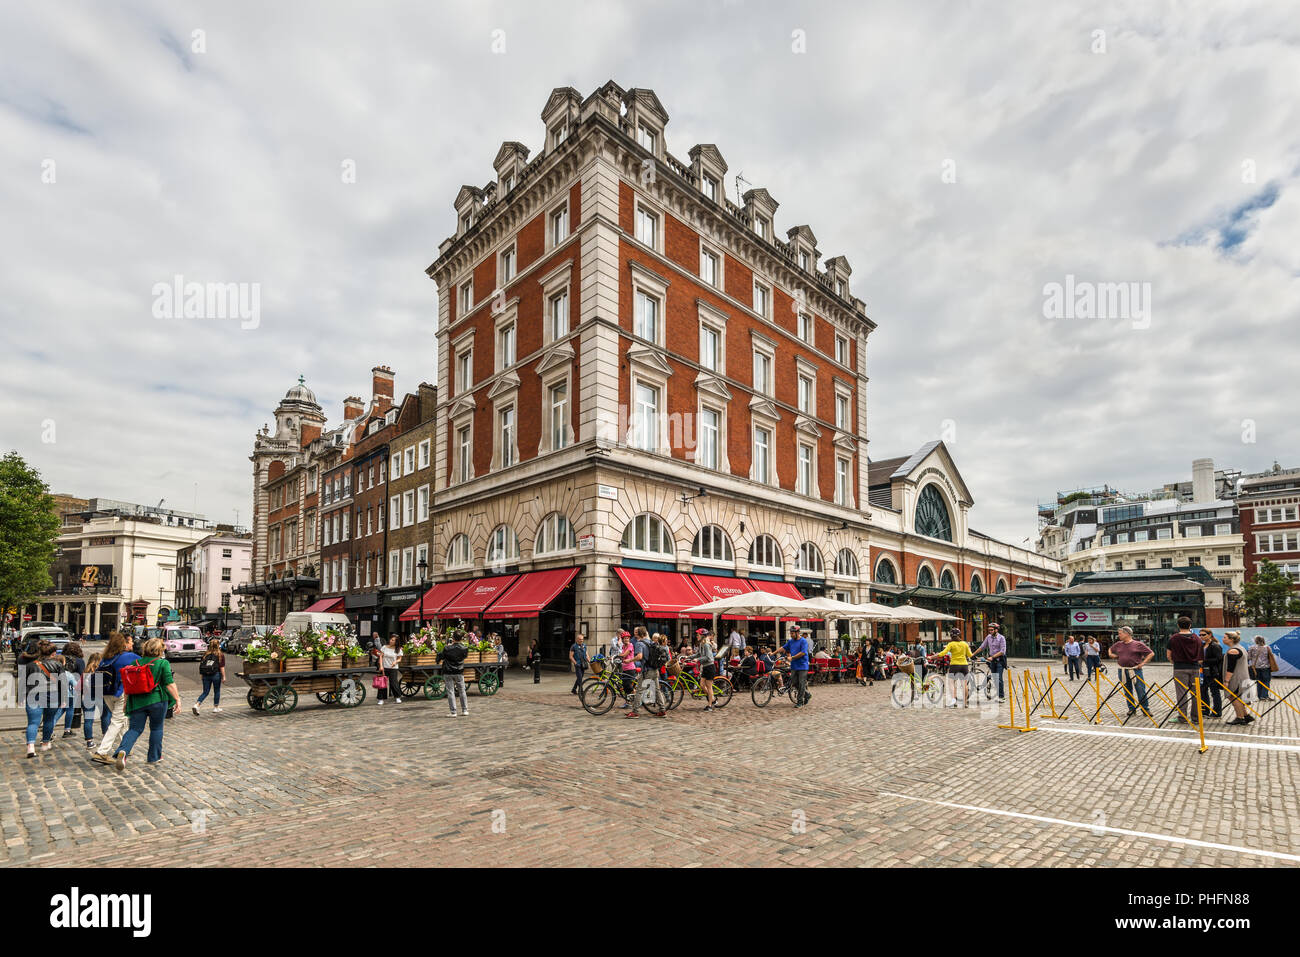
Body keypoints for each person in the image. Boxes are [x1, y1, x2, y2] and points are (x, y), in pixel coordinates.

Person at [113, 637, 180, 771]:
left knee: (134, 729)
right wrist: (177, 699)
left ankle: (123, 751)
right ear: (160, 650)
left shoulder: (135, 662)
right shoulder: (163, 663)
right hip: (157, 700)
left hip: (137, 701)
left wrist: (126, 702)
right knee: (156, 728)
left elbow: (128, 685)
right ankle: (154, 757)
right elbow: (169, 683)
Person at [91, 633, 140, 764]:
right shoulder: (129, 657)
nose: (132, 644)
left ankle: (125, 746)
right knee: (117, 722)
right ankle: (102, 751)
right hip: (121, 692)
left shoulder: (106, 658)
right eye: (130, 642)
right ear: (124, 644)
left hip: (106, 692)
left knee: (121, 720)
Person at [20, 639, 64, 758]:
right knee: (49, 720)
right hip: (52, 696)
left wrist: (21, 697)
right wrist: (63, 699)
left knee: (33, 723)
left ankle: (30, 747)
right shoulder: (57, 665)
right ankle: (45, 743)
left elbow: (23, 683)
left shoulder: (30, 665)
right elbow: (62, 683)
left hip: (33, 695)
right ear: (52, 653)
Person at [1108, 626, 1155, 717]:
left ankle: (1145, 709)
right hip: (1122, 670)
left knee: (1140, 690)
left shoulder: (1138, 644)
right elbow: (1110, 649)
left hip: (1135, 670)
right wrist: (1111, 654)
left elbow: (1151, 653)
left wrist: (1143, 663)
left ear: (1127, 634)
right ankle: (1131, 709)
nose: (1119, 635)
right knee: (1127, 690)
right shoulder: (1118, 644)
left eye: (1120, 633)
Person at [1167, 616, 1203, 724]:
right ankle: (1196, 718)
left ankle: (1182, 717)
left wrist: (1175, 662)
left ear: (1178, 625)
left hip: (1179, 668)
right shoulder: (1197, 638)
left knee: (1181, 693)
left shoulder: (1173, 638)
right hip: (1194, 667)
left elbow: (1169, 655)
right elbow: (1201, 657)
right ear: (1190, 625)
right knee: (1196, 694)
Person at [627, 628, 668, 718]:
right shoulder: (651, 642)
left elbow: (639, 656)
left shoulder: (639, 643)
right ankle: (662, 710)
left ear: (638, 635)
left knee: (639, 691)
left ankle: (635, 712)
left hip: (647, 671)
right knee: (657, 690)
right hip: (655, 670)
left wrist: (629, 660)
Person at [1221, 632, 1254, 726]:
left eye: (1225, 637)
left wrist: (1226, 681)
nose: (1223, 639)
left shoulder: (1233, 651)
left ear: (1231, 639)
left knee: (1234, 697)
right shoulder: (1241, 648)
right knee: (1238, 697)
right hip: (1243, 676)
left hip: (1236, 678)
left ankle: (1240, 717)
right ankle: (1246, 716)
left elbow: (1231, 668)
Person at [936, 628, 973, 707]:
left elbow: (943, 653)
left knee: (952, 683)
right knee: (965, 684)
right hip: (964, 665)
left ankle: (954, 701)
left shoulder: (951, 644)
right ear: (959, 635)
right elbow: (970, 655)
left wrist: (932, 656)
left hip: (954, 665)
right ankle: (965, 703)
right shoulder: (965, 644)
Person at [80, 652, 109, 750]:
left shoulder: (85, 671)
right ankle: (105, 737)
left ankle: (89, 741)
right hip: (101, 696)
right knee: (105, 716)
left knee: (88, 720)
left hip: (87, 697)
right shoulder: (102, 671)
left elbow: (79, 687)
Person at [778, 627, 811, 708]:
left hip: (803, 666)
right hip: (794, 666)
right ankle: (807, 694)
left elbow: (803, 653)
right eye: (790, 633)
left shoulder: (803, 641)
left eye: (792, 633)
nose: (791, 634)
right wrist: (773, 653)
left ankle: (800, 702)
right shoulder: (791, 641)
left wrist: (792, 658)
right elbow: (783, 648)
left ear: (797, 633)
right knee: (794, 683)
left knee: (801, 683)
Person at [974, 622, 1008, 700]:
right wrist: (972, 654)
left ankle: (1001, 697)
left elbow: (1002, 651)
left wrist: (992, 657)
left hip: (1000, 660)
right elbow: (982, 647)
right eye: (989, 630)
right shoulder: (988, 637)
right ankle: (996, 693)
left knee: (999, 678)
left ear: (996, 630)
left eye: (992, 630)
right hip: (992, 661)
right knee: (995, 678)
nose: (990, 632)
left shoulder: (1001, 638)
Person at [440, 632, 470, 717]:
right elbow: (464, 657)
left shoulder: (447, 648)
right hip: (459, 671)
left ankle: (453, 712)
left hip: (448, 671)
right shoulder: (464, 648)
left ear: (453, 638)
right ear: (461, 638)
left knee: (450, 691)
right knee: (462, 691)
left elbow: (442, 656)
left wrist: (448, 646)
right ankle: (465, 710)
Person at [193, 638, 227, 714]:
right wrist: (224, 677)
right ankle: (216, 707)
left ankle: (197, 704)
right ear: (218, 645)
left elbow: (202, 664)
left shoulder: (206, 654)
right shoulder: (220, 655)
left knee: (205, 692)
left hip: (205, 674)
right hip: (216, 674)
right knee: (217, 691)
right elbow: (222, 667)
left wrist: (202, 675)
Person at [1198, 629, 1223, 718]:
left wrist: (1204, 661)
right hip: (1203, 672)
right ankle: (1205, 711)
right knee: (1203, 691)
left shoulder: (1215, 646)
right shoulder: (1202, 645)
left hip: (1213, 672)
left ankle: (1217, 712)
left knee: (1214, 692)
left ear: (1210, 635)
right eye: (1200, 635)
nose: (1201, 637)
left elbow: (1219, 659)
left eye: (1203, 635)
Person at [1247, 636, 1277, 701]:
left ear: (1255, 641)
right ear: (1263, 640)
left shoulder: (1251, 648)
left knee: (1259, 681)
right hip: (1265, 667)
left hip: (1256, 667)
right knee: (1266, 681)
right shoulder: (1267, 647)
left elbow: (1248, 657)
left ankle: (1260, 696)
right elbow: (1271, 657)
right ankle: (1264, 696)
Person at [377, 634, 402, 705]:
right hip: (384, 667)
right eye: (391, 639)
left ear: (396, 642)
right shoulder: (384, 647)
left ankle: (397, 697)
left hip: (393, 668)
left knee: (393, 682)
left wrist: (395, 662)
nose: (391, 641)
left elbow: (399, 658)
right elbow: (381, 657)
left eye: (393, 640)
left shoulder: (398, 649)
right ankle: (381, 699)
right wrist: (381, 666)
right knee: (382, 683)